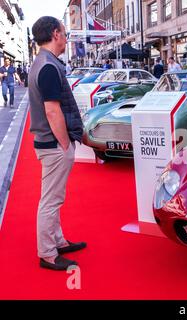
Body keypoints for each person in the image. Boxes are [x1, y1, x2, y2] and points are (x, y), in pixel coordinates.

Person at [29, 16, 86, 271]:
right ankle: (48, 253)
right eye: (64, 33)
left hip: (49, 143)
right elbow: (52, 111)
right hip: (54, 145)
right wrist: (65, 144)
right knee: (51, 201)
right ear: (55, 34)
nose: (66, 38)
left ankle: (57, 241)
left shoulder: (43, 62)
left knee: (53, 198)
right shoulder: (49, 66)